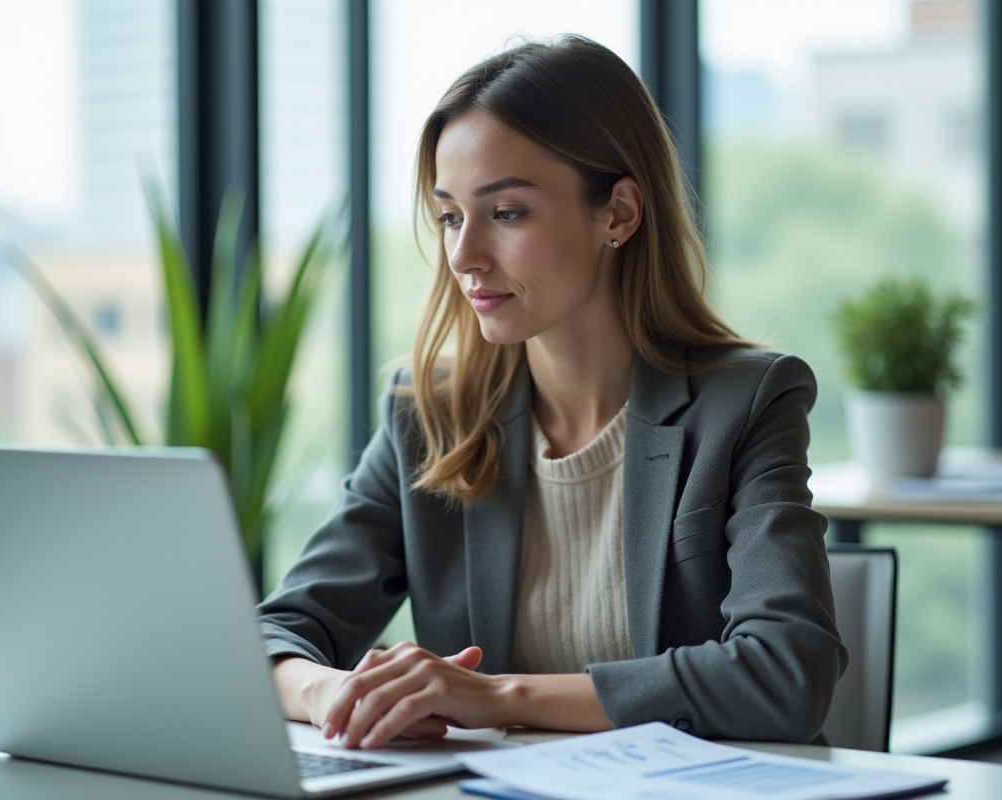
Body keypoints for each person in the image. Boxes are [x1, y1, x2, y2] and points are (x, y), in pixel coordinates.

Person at [258, 35, 846, 752]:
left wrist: (496, 697)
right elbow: (272, 634)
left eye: (507, 213)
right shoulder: (428, 414)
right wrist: (329, 692)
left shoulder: (746, 403)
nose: (464, 257)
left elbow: (788, 673)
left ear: (619, 213)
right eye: (450, 216)